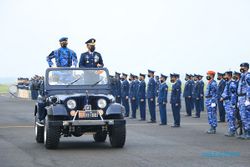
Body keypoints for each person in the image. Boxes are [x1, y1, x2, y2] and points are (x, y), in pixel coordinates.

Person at [220, 71, 237, 136]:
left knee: (231, 116)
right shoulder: (228, 83)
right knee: (229, 117)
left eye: (226, 75)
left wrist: (233, 104)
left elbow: (233, 94)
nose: (224, 77)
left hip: (230, 102)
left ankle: (232, 131)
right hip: (227, 102)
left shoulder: (232, 83)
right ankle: (231, 130)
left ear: (229, 76)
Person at [237, 63, 250, 139]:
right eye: (241, 66)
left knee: (246, 116)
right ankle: (245, 132)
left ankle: (248, 133)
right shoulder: (242, 76)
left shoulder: (248, 76)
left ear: (247, 68)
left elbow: (249, 88)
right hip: (241, 98)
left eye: (243, 67)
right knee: (242, 116)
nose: (242, 68)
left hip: (245, 98)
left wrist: (248, 99)